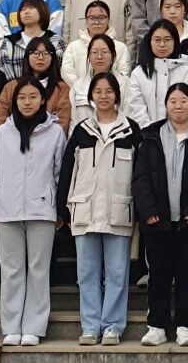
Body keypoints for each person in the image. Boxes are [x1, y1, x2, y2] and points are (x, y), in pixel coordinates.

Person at [0, 77, 67, 347]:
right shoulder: (2, 133)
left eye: (33, 97)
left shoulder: (55, 132)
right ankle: (11, 326)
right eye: (21, 97)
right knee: (11, 270)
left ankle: (34, 326)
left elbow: (60, 173)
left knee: (38, 270)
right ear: (14, 101)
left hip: (43, 211)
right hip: (7, 211)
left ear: (42, 100)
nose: (27, 102)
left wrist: (59, 209)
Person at [58, 71, 143, 346]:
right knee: (86, 273)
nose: (103, 96)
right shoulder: (82, 130)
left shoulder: (131, 130)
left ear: (117, 95)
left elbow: (141, 175)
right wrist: (63, 208)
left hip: (119, 210)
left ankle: (113, 326)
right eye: (98, 91)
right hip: (85, 210)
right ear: (91, 96)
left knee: (117, 273)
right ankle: (91, 326)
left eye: (109, 91)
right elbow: (68, 171)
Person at [133, 83, 188, 348]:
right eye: (173, 101)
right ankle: (157, 325)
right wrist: (148, 210)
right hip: (158, 220)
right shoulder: (152, 136)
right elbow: (140, 177)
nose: (178, 106)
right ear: (166, 106)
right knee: (158, 274)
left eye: (183, 101)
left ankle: (185, 325)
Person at [61, 0, 133, 123]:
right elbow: (67, 72)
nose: (96, 22)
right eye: (92, 18)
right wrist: (84, 88)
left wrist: (106, 90)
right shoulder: (73, 46)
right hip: (81, 99)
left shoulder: (120, 47)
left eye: (101, 18)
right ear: (86, 20)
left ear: (108, 19)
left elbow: (124, 71)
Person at [0, 36, 72, 135]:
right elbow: (0, 118)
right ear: (27, 56)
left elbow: (62, 122)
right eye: (35, 53)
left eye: (46, 53)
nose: (40, 57)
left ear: (53, 58)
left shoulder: (62, 88)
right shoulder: (11, 87)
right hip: (13, 140)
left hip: (48, 142)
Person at [126, 20, 188, 129]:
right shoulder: (138, 73)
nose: (162, 45)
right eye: (157, 40)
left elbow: (187, 106)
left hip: (179, 132)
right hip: (146, 135)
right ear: (150, 42)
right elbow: (136, 108)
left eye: (167, 40)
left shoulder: (186, 72)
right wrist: (150, 133)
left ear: (175, 41)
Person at [0, 0, 67, 79]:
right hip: (17, 86)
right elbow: (4, 71)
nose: (26, 12)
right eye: (23, 9)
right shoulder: (9, 42)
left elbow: (59, 70)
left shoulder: (55, 40)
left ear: (42, 10)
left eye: (31, 8)